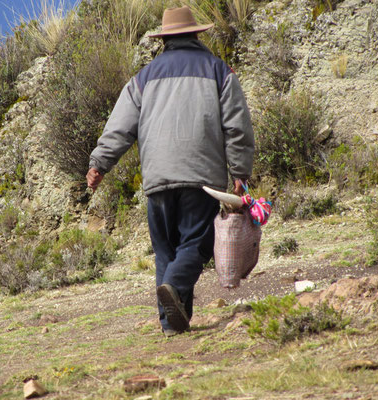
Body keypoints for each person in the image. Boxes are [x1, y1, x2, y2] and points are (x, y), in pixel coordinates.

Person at [86, 6, 255, 337]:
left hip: (158, 181)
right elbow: (237, 125)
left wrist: (99, 163)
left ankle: (172, 325)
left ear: (165, 40)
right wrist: (239, 171)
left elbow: (120, 125)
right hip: (200, 177)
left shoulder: (144, 77)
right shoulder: (219, 71)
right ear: (195, 34)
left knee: (167, 250)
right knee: (199, 243)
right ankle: (175, 289)